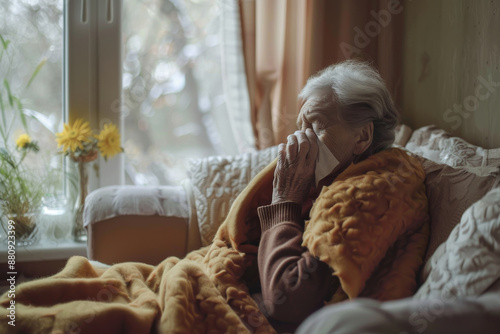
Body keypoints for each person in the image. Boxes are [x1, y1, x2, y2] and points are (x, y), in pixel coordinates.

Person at [256, 60, 400, 331]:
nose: (301, 140)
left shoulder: (365, 195)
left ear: (362, 137)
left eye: (316, 128)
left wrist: (284, 198)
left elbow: (285, 298)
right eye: (301, 128)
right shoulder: (325, 183)